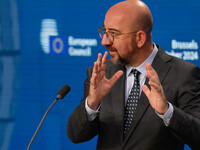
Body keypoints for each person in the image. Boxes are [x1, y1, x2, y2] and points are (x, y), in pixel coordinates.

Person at [67, 0, 200, 149]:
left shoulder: (183, 74)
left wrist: (167, 111)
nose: (104, 41)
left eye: (113, 34)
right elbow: (76, 135)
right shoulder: (100, 74)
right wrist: (92, 104)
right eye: (104, 31)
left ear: (140, 38)